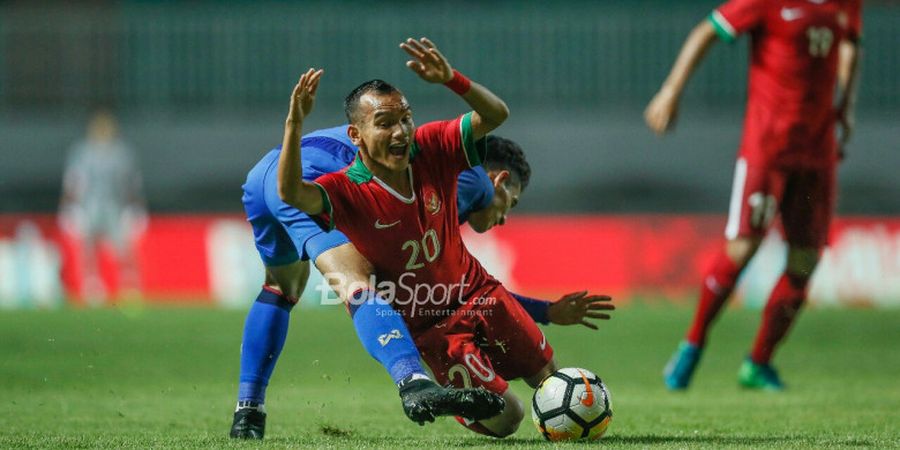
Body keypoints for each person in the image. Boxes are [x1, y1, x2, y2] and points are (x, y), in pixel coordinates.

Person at [233, 39, 613, 438]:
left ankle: (248, 411)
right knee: (354, 282)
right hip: (302, 178)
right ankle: (412, 379)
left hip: (265, 173)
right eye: (510, 204)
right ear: (497, 180)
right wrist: (545, 311)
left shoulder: (419, 156)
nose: (502, 219)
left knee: (280, 290)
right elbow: (438, 275)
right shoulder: (466, 180)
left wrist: (544, 312)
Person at [645, 0, 862, 390]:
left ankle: (758, 363)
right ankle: (692, 344)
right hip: (767, 147)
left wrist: (846, 104)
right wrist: (670, 91)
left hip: (818, 150)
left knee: (805, 259)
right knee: (742, 249)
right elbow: (706, 30)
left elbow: (848, 43)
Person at [59, 109, 146, 303]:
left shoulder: (122, 153)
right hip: (89, 205)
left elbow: (131, 183)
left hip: (115, 205)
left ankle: (129, 284)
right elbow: (73, 181)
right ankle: (92, 285)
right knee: (88, 246)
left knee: (123, 247)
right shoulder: (82, 152)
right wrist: (68, 207)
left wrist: (136, 208)